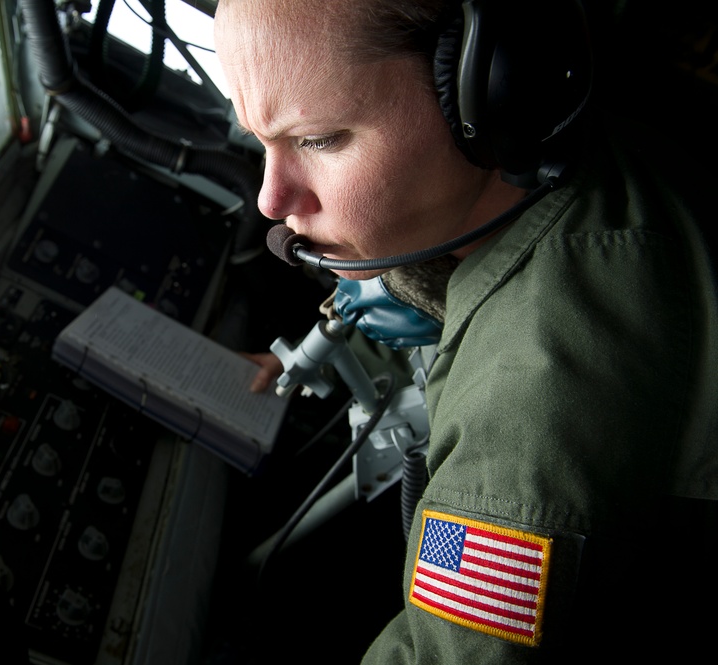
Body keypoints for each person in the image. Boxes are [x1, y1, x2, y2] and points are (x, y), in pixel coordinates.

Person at [213, 0, 718, 661]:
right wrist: (332, 356)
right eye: (261, 141)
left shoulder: (534, 395)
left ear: (495, 92)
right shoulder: (580, 156)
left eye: (316, 140)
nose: (271, 200)